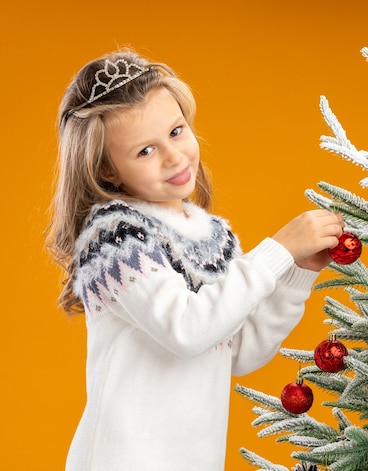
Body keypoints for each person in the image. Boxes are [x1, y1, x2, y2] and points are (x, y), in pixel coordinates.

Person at [46, 49, 343, 470]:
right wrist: (277, 251)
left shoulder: (212, 235)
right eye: (145, 151)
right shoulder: (115, 235)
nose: (174, 156)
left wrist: (295, 276)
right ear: (108, 171)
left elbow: (237, 350)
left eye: (176, 131)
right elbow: (186, 329)